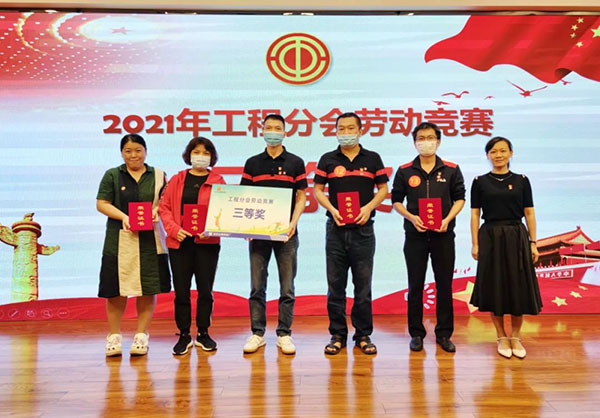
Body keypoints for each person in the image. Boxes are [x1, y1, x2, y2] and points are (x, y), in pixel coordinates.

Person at [313, 112, 389, 355]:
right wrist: (332, 209)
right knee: (335, 286)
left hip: (363, 230)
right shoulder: (328, 159)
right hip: (335, 229)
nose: (345, 133)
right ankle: (337, 334)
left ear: (360, 131)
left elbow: (383, 188)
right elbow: (317, 189)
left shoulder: (372, 158)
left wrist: (368, 208)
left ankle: (363, 335)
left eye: (350, 128)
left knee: (363, 287)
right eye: (341, 129)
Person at [391, 122, 465, 353]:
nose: (426, 142)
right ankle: (416, 333)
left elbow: (460, 199)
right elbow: (396, 201)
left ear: (438, 141)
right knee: (415, 285)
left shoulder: (451, 169)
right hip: (415, 236)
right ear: (415, 143)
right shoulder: (405, 171)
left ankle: (444, 333)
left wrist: (447, 219)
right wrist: (412, 217)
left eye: (430, 138)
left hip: (444, 235)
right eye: (421, 138)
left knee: (444, 284)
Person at [96, 134, 170, 357]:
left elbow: (167, 202)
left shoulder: (158, 175)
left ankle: (141, 334)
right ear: (122, 153)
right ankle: (114, 335)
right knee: (115, 288)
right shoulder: (112, 175)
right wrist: (124, 217)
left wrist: (156, 211)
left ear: (146, 151)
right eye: (128, 151)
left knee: (148, 287)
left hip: (150, 239)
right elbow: (102, 203)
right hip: (119, 238)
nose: (133, 155)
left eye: (138, 150)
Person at [240, 114, 307, 355]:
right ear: (262, 131)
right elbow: (244, 197)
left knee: (287, 286)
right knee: (257, 286)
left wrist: (293, 222)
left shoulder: (296, 162)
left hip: (286, 234)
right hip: (258, 234)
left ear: (285, 132)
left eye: (277, 128)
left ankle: (284, 333)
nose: (273, 132)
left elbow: (302, 196)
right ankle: (257, 333)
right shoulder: (252, 163)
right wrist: (246, 227)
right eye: (269, 127)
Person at [470, 136, 542, 359]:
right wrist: (475, 243)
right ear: (487, 155)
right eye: (493, 151)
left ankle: (516, 337)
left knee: (518, 285)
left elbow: (529, 212)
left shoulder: (522, 180)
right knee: (496, 286)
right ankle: (501, 336)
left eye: (502, 150)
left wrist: (533, 242)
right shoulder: (479, 182)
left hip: (516, 235)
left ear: (511, 153)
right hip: (490, 236)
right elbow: (475, 214)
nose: (498, 155)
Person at [159, 137, 225, 355]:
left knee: (205, 290)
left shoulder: (218, 181)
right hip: (180, 243)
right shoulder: (177, 179)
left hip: (207, 243)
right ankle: (184, 334)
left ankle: (204, 333)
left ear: (211, 157)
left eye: (205, 153)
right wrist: (173, 229)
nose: (200, 157)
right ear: (189, 155)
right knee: (181, 291)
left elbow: (224, 211)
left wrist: (213, 229)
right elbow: (164, 207)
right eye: (196, 152)